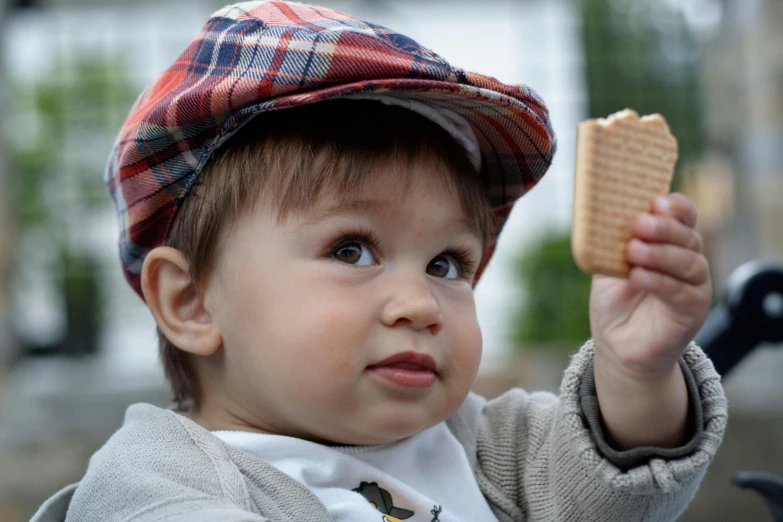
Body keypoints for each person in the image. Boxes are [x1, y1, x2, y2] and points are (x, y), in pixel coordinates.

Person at [31, 1, 727, 521]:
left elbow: (610, 491)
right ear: (191, 301)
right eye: (351, 249)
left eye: (447, 264)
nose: (420, 304)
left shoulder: (486, 446)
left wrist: (635, 371)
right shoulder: (161, 489)